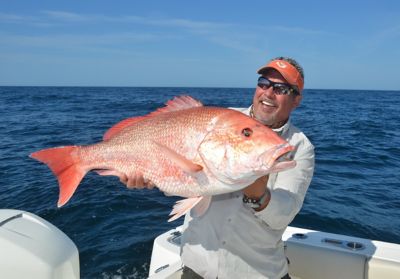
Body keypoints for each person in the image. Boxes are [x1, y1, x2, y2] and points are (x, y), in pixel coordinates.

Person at [122, 56, 315, 279]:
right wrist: (152, 176)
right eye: (263, 83)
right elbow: (182, 182)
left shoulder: (298, 147)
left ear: (297, 99)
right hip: (197, 267)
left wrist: (259, 196)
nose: (268, 93)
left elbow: (284, 213)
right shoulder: (220, 121)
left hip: (257, 272)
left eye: (280, 88)